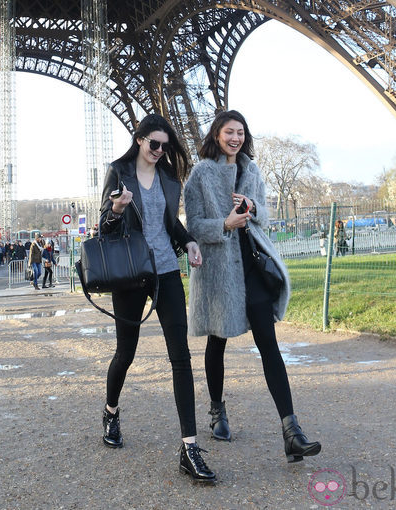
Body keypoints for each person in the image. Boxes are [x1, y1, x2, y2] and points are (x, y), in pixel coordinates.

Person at [184, 110, 321, 463]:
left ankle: (292, 431)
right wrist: (225, 224)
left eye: (240, 132)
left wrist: (254, 206)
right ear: (216, 135)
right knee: (218, 342)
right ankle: (217, 411)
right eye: (229, 132)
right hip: (219, 272)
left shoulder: (252, 170)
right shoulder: (199, 175)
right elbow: (194, 226)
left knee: (269, 346)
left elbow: (265, 216)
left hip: (253, 267)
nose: (235, 138)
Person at [99, 113, 216, 484]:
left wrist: (190, 241)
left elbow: (170, 223)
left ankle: (189, 447)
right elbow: (104, 224)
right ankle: (111, 411)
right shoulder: (118, 171)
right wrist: (117, 209)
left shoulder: (168, 177)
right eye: (154, 144)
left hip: (166, 270)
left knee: (180, 357)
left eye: (165, 146)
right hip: (131, 272)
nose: (159, 151)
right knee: (126, 353)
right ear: (139, 140)